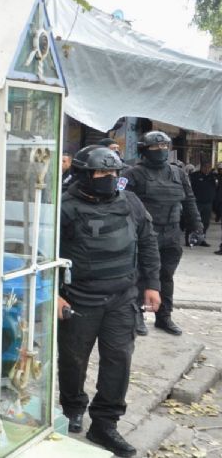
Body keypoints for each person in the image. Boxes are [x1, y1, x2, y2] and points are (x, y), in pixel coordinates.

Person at [58, 145, 161, 458]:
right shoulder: (64, 207)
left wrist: (152, 285)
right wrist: (55, 294)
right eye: (102, 173)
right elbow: (45, 254)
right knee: (73, 360)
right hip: (79, 300)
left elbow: (147, 241)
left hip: (121, 298)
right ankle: (73, 407)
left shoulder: (129, 201)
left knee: (118, 360)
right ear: (84, 175)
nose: (109, 178)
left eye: (114, 173)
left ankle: (104, 423)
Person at [123, 131, 202, 336]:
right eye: (155, 147)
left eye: (164, 147)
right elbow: (121, 204)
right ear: (144, 150)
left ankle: (164, 317)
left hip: (172, 233)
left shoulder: (179, 173)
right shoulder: (132, 174)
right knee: (140, 275)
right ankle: (137, 315)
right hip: (145, 234)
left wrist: (197, 226)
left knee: (166, 277)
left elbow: (189, 200)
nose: (161, 151)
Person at [189, 161, 217, 246]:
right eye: (205, 167)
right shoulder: (195, 176)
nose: (207, 169)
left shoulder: (213, 177)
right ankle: (190, 239)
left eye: (209, 167)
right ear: (201, 167)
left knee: (205, 223)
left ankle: (202, 239)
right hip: (196, 202)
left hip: (208, 203)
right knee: (193, 221)